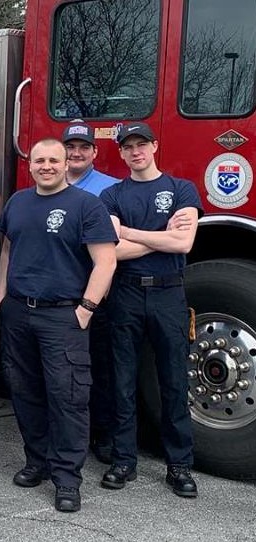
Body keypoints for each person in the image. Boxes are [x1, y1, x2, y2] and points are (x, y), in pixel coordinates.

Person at [0, 138, 117, 512]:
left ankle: (67, 478)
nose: (46, 166)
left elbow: (106, 262)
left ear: (66, 164)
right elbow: (6, 248)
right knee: (24, 390)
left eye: (53, 160)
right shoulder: (18, 202)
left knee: (68, 397)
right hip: (18, 312)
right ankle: (37, 462)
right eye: (39, 160)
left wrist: (86, 308)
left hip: (63, 316)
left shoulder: (87, 205)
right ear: (30, 165)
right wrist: (2, 297)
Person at [99, 122, 202, 498]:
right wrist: (162, 235)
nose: (136, 151)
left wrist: (131, 232)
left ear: (155, 146)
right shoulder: (111, 195)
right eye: (129, 147)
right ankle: (123, 460)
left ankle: (179, 465)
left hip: (168, 296)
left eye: (142, 144)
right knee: (121, 381)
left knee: (174, 381)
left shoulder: (181, 189)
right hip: (124, 295)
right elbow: (110, 250)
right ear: (122, 153)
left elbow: (185, 241)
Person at [61, 121, 120, 463]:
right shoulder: (49, 184)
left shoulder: (110, 190)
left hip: (95, 296)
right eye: (72, 147)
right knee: (65, 373)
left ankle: (103, 434)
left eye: (84, 147)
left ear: (95, 152)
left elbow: (117, 245)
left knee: (98, 368)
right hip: (60, 297)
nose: (77, 153)